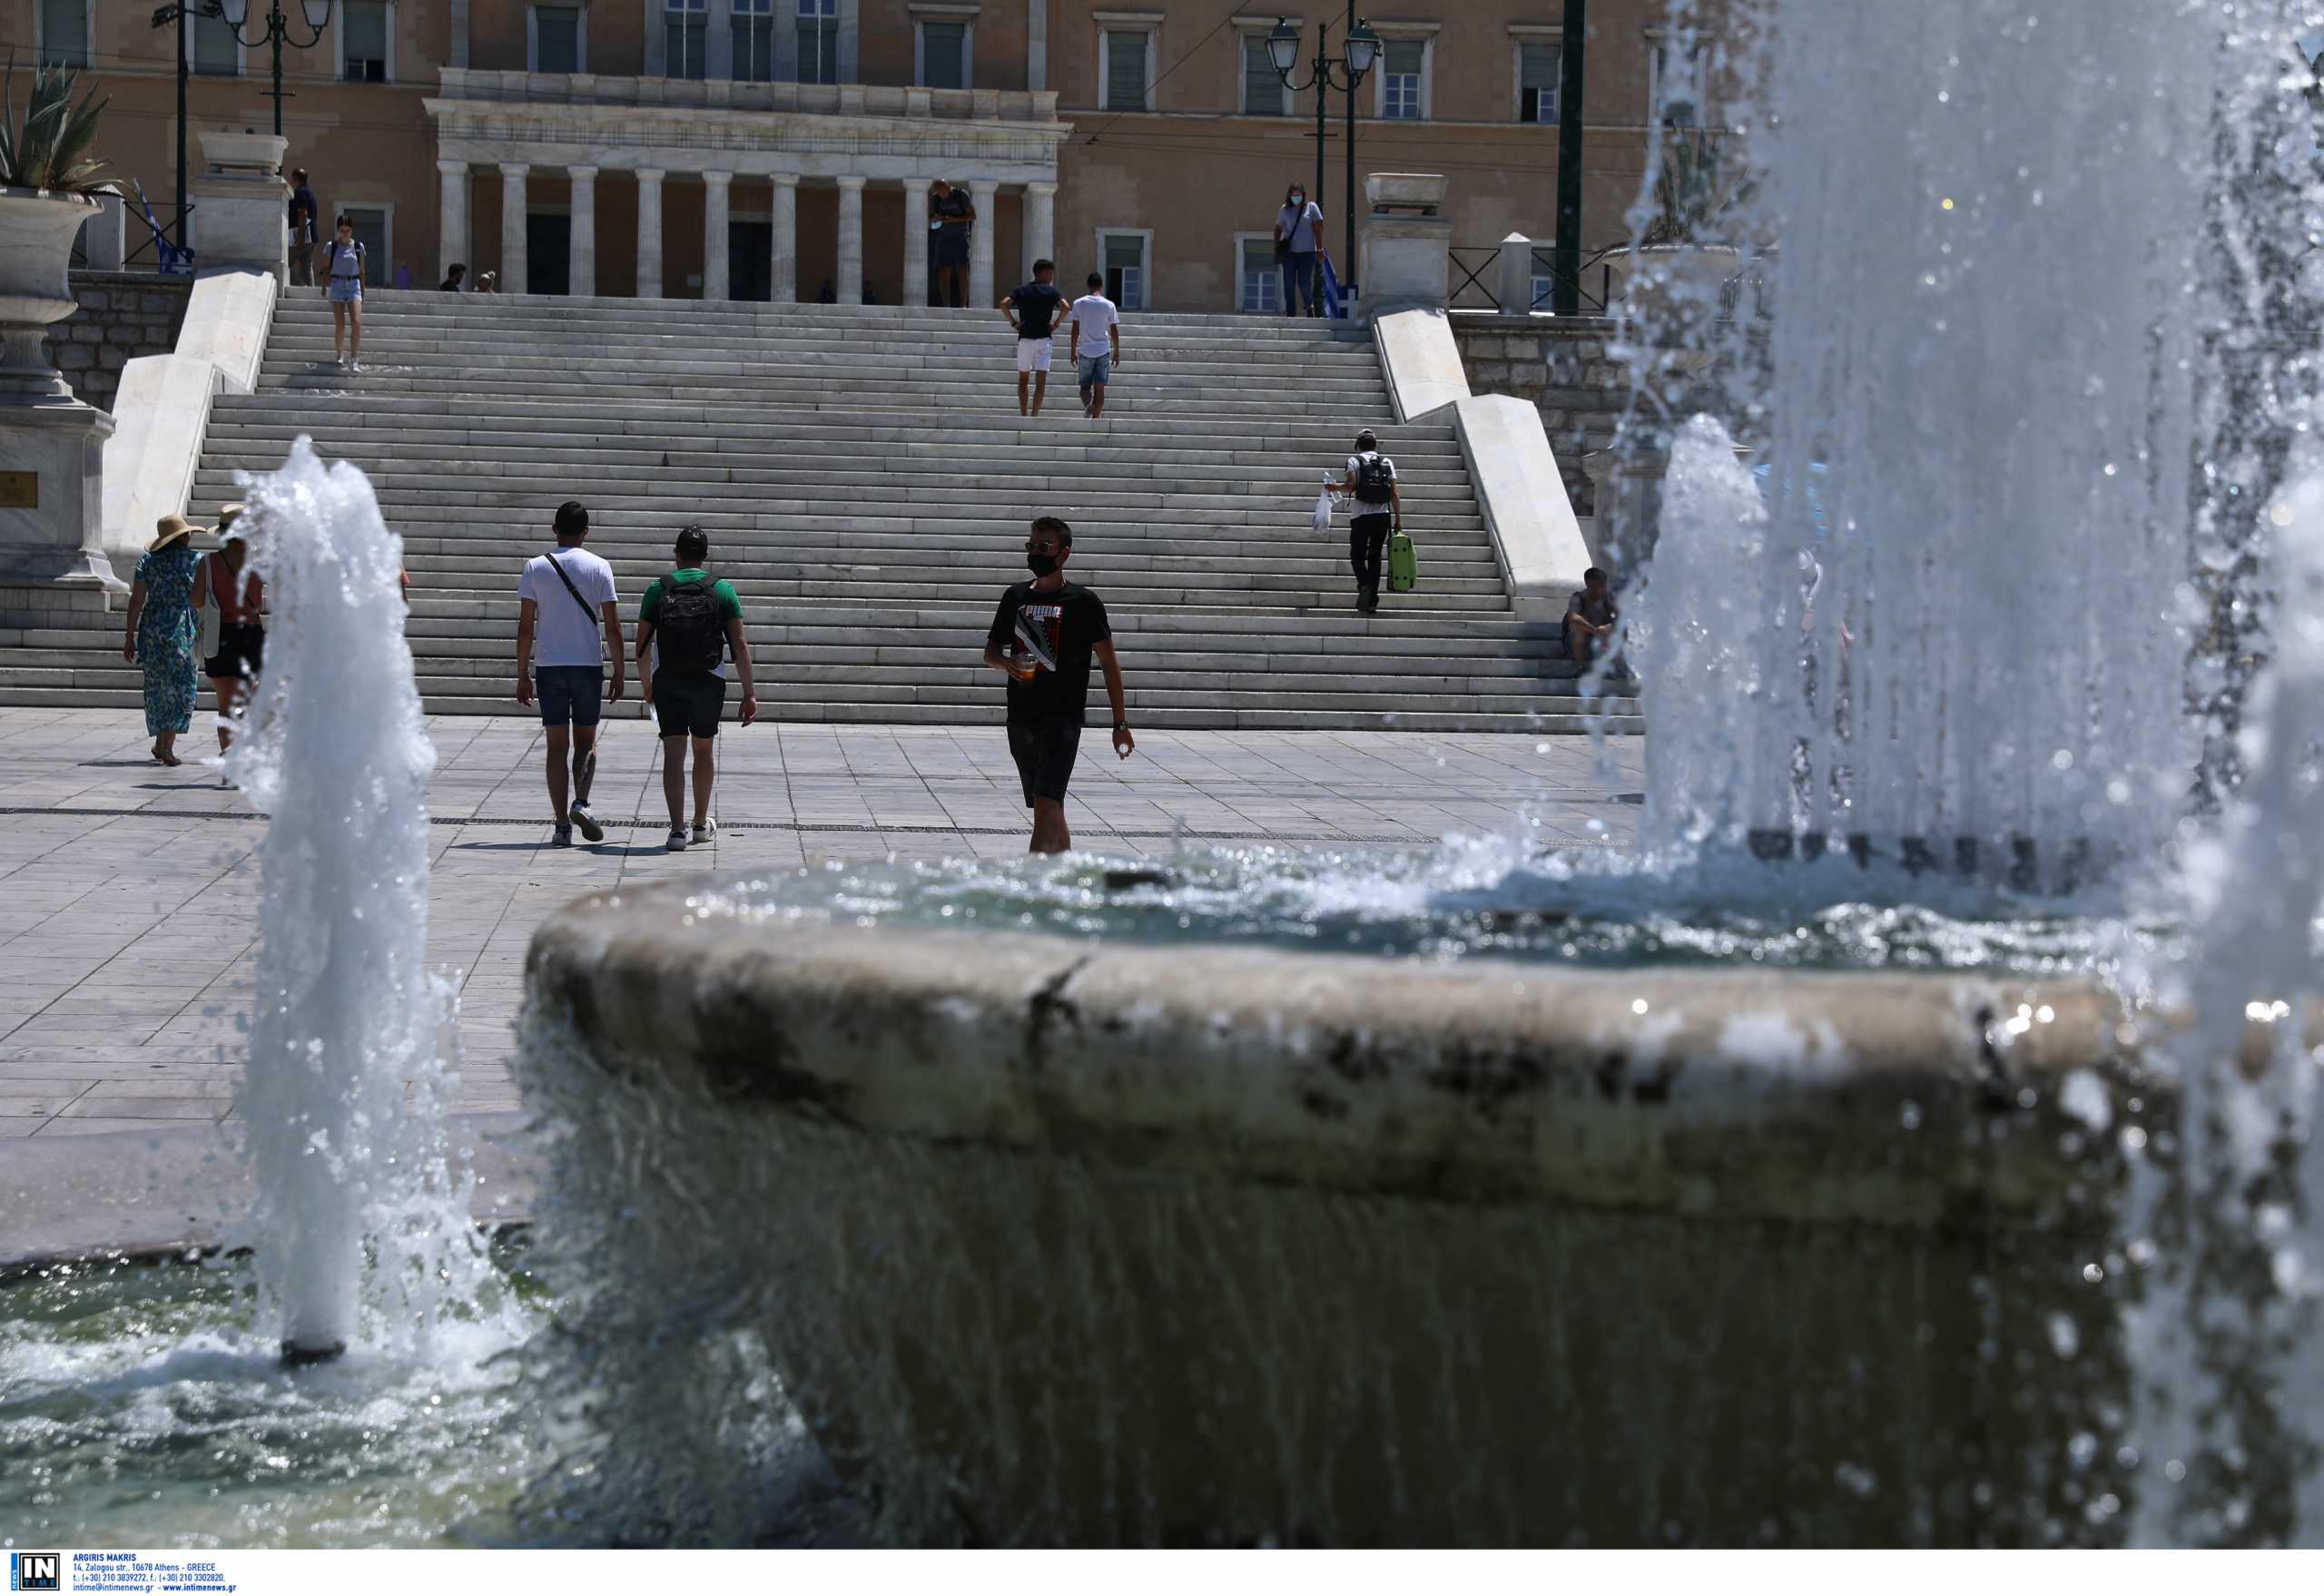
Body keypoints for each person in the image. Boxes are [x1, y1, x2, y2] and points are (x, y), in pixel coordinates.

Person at [982, 516, 1133, 854]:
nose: (1036, 552)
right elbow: (991, 652)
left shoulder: (1084, 603)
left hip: (1062, 718)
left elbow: (1109, 665)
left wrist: (1120, 724)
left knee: (1047, 803)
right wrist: (1006, 664)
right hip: (1021, 717)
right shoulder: (1015, 596)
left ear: (1063, 555)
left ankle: (1034, 884)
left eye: (1044, 547)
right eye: (1031, 545)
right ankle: (1065, 873)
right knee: (1047, 806)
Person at [635, 524, 757, 852]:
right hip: (708, 679)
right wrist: (749, 693)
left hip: (668, 679)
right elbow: (740, 645)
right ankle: (700, 825)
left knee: (674, 752)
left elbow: (642, 647)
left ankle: (676, 831)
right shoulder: (723, 590)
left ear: (676, 555)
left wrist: (647, 687)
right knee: (703, 750)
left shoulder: (656, 590)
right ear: (704, 556)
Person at [516, 501, 625, 847]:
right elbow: (613, 625)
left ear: (554, 530)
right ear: (586, 532)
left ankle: (562, 825)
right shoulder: (600, 566)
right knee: (586, 743)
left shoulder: (535, 567)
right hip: (588, 665)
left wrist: (522, 672)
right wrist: (620, 670)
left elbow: (525, 627)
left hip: (549, 666)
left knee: (555, 748)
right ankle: (582, 802)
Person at [122, 514, 203, 767]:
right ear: (182, 536)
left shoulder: (148, 560)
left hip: (153, 628)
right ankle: (167, 747)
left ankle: (160, 744)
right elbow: (202, 597)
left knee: (157, 687)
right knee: (180, 686)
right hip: (182, 628)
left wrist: (129, 635)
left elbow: (137, 600)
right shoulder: (195, 560)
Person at [199, 503, 264, 756]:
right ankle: (238, 750)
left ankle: (228, 747)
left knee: (225, 706)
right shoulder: (255, 564)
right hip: (249, 634)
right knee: (245, 703)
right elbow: (258, 603)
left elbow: (196, 600)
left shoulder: (208, 563)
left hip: (219, 635)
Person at [1332, 429, 1401, 614]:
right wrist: (1398, 519)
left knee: (1357, 556)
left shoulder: (1354, 461)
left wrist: (1332, 487)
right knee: (1375, 558)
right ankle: (1372, 602)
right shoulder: (1387, 462)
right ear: (1375, 445)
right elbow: (1394, 492)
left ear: (1358, 445)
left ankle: (1364, 585)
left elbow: (1350, 486)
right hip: (1382, 516)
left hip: (1361, 516)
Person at [1000, 258, 1065, 418]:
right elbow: (1067, 306)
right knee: (1040, 381)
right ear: (1043, 273)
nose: (1051, 277)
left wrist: (1014, 323)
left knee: (1023, 379)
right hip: (1044, 338)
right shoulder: (1052, 291)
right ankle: (1035, 414)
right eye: (1050, 273)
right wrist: (1056, 323)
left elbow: (1003, 304)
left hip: (1025, 338)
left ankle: (1023, 413)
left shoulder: (1022, 290)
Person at [1068, 273, 1120, 420]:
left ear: (1088, 284)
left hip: (1086, 350)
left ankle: (1088, 406)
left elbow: (1075, 330)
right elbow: (1114, 330)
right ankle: (1096, 419)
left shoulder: (1078, 303)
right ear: (1101, 285)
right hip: (1103, 350)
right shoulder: (1109, 305)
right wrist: (1117, 352)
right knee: (1100, 389)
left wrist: (1073, 351)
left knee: (1084, 388)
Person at [322, 215, 366, 370]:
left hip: (354, 285)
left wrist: (363, 290)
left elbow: (362, 270)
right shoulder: (331, 246)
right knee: (340, 324)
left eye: (348, 230)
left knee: (356, 322)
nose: (345, 233)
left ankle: (354, 358)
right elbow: (326, 268)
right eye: (342, 230)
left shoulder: (359, 247)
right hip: (337, 285)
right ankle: (340, 353)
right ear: (338, 231)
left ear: (352, 230)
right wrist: (323, 286)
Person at [1275, 182, 1324, 317]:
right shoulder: (1284, 210)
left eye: (1299, 195)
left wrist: (1319, 249)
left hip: (1307, 253)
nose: (1296, 197)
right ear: (1290, 196)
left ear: (1303, 195)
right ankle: (1291, 312)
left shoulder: (1312, 208)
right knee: (1288, 283)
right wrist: (1276, 246)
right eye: (1294, 195)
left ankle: (1309, 306)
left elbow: (1318, 229)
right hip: (1289, 253)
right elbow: (1278, 228)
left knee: (1304, 282)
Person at [931, 179, 975, 310]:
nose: (942, 196)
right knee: (943, 270)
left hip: (960, 235)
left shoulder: (960, 195)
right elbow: (931, 217)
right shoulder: (936, 198)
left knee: (962, 269)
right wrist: (938, 218)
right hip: (943, 237)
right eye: (939, 193)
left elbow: (972, 216)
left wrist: (954, 220)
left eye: (944, 193)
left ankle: (962, 305)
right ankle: (946, 305)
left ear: (949, 187)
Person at [1566, 566, 1620, 669]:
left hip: (1601, 642)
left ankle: (1617, 668)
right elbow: (1573, 619)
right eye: (1600, 585)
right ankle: (1580, 668)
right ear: (1589, 584)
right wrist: (1595, 631)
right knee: (1578, 632)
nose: (1603, 587)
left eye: (1604, 584)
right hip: (1577, 645)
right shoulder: (1578, 598)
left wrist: (1608, 628)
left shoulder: (1608, 598)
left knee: (1621, 629)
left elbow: (1621, 618)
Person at [287, 168, 320, 287]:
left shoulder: (299, 192)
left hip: (302, 237)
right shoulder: (310, 193)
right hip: (312, 237)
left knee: (284, 263)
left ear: (295, 179)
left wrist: (300, 237)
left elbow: (303, 214)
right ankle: (309, 292)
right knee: (307, 267)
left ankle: (301, 286)